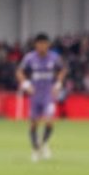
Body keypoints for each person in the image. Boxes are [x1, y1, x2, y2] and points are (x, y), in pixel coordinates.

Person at [16, 32, 66, 161]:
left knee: (49, 121)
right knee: (33, 123)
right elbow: (19, 72)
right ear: (35, 45)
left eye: (44, 44)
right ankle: (35, 149)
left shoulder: (54, 57)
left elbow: (62, 69)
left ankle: (44, 143)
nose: (42, 46)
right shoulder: (29, 58)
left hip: (48, 95)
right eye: (39, 44)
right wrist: (26, 84)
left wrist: (58, 84)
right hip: (35, 95)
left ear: (48, 45)